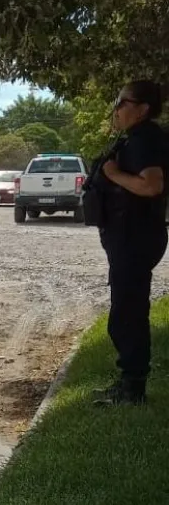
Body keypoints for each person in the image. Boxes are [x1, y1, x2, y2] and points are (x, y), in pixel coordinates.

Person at [91, 80, 168, 406]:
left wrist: (111, 173)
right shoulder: (139, 138)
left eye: (123, 102)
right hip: (131, 235)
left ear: (143, 108)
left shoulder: (146, 139)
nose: (117, 108)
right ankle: (129, 382)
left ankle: (131, 388)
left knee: (128, 312)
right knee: (127, 309)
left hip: (135, 236)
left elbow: (151, 186)